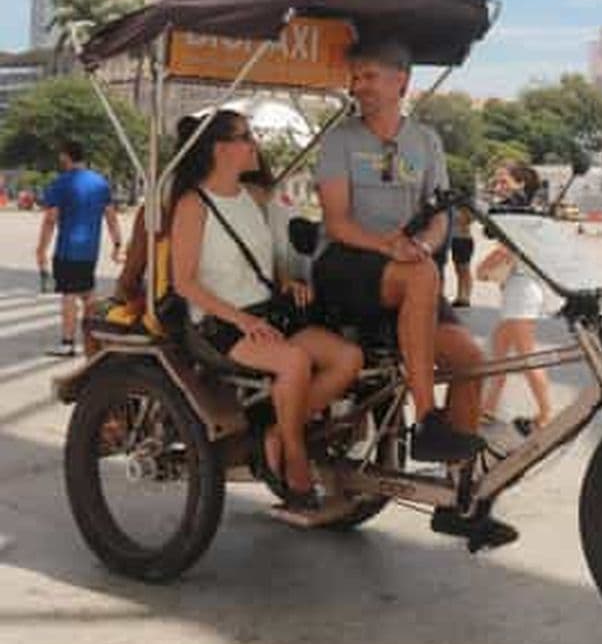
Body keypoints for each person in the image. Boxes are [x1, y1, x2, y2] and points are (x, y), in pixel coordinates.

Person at [314, 38, 517, 547]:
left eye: (369, 76)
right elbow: (337, 223)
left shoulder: (425, 141)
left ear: (401, 81)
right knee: (421, 275)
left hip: (408, 272)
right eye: (355, 77)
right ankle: (426, 418)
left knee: (470, 359)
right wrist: (391, 247)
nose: (358, 86)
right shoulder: (340, 141)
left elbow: (441, 213)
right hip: (347, 266)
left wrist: (424, 245)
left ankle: (459, 497)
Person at [169, 109, 362, 509]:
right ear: (219, 149)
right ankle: (294, 458)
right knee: (293, 362)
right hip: (218, 323)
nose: (253, 144)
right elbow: (183, 282)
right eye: (244, 137)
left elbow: (262, 258)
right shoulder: (193, 204)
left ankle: (277, 431)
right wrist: (241, 318)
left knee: (349, 358)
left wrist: (285, 282)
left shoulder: (254, 197)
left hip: (266, 311)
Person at [477, 162, 553, 428]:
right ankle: (487, 408)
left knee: (526, 357)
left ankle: (545, 414)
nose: (498, 187)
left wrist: (482, 269)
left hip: (521, 291)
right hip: (517, 289)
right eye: (496, 183)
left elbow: (508, 251)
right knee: (498, 355)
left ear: (521, 184)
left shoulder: (520, 216)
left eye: (503, 181)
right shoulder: (520, 213)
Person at [36, 140, 123, 358]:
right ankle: (93, 341)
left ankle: (67, 343)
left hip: (68, 248)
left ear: (66, 156)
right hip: (90, 249)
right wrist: (117, 244)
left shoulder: (61, 183)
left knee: (69, 295)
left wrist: (41, 249)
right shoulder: (100, 183)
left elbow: (50, 220)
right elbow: (111, 217)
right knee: (88, 294)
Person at [449, 204, 475, 308]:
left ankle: (466, 296)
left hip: (464, 239)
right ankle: (460, 295)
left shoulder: (466, 208)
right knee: (458, 269)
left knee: (464, 269)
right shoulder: (453, 207)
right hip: (454, 239)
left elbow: (467, 220)